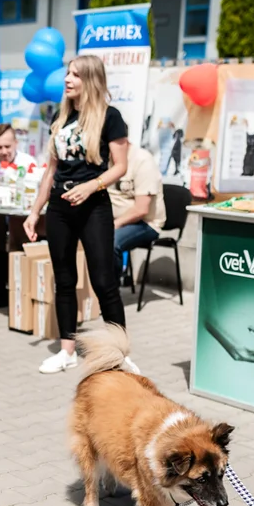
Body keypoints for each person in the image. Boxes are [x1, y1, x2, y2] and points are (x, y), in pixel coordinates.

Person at [23, 55, 133, 375]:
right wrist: (34, 212)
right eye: (67, 74)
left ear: (91, 80)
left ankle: (119, 355)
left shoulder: (110, 117)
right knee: (65, 281)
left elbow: (121, 166)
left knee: (104, 281)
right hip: (59, 207)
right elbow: (50, 172)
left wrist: (90, 186)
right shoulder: (61, 117)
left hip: (94, 206)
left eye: (75, 75)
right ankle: (67, 351)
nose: (67, 79)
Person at [109, 142, 165, 282]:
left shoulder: (142, 160)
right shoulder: (104, 158)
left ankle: (111, 294)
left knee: (110, 242)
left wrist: (115, 224)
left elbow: (141, 209)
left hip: (146, 223)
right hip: (112, 219)